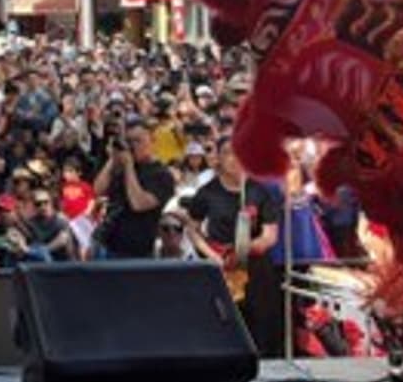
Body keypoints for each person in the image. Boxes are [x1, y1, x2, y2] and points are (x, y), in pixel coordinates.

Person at [183, 139, 283, 356]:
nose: (234, 159)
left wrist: (247, 249)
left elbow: (270, 235)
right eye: (227, 153)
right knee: (225, 323)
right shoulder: (207, 192)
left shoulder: (259, 191)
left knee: (260, 325)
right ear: (218, 158)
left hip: (255, 269)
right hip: (221, 267)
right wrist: (211, 255)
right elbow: (192, 228)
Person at [92, 119, 175, 259]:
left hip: (137, 251)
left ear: (152, 141)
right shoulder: (121, 166)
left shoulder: (162, 175)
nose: (132, 146)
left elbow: (138, 204)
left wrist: (129, 166)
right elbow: (98, 190)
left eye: (138, 141)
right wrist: (112, 159)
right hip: (108, 243)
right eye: (129, 141)